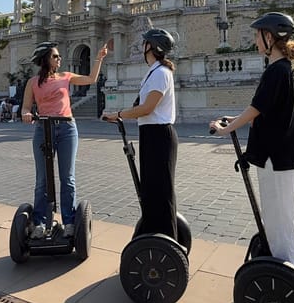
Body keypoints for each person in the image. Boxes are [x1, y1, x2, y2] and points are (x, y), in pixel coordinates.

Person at [208, 12, 294, 272]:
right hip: (282, 155)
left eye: (257, 35)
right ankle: (291, 266)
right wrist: (235, 119)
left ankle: (288, 272)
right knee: (285, 214)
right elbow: (264, 112)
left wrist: (225, 129)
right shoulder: (284, 69)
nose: (255, 40)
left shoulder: (277, 71)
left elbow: (255, 109)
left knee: (278, 218)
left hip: (276, 157)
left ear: (270, 37)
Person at [21, 41, 107, 239]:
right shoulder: (33, 82)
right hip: (43, 128)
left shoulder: (66, 76)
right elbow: (26, 107)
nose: (59, 59)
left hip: (67, 128)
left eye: (59, 56)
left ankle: (69, 221)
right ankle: (41, 221)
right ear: (45, 60)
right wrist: (26, 114)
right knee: (42, 179)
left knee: (67, 178)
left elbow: (92, 79)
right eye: (55, 56)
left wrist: (99, 58)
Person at [102, 28, 180, 240]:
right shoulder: (153, 72)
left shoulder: (161, 73)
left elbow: (147, 108)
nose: (141, 46)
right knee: (151, 190)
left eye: (144, 43)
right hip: (150, 133)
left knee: (160, 191)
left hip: (159, 135)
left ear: (151, 47)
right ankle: (155, 233)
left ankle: (164, 239)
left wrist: (118, 114)